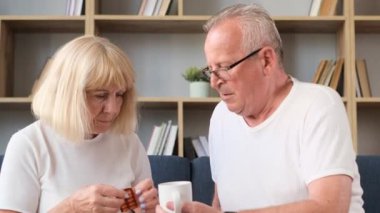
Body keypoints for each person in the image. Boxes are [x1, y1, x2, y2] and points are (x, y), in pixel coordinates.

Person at [157, 3, 364, 213]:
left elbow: (329, 207)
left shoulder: (319, 105)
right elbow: (221, 205)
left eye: (224, 67)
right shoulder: (221, 116)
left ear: (266, 60)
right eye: (210, 70)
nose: (213, 82)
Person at [0, 35, 158, 213]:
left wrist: (148, 208)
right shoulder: (29, 144)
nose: (113, 109)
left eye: (119, 94)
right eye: (100, 95)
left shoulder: (130, 143)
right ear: (68, 95)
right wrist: (70, 208)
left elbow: (143, 208)